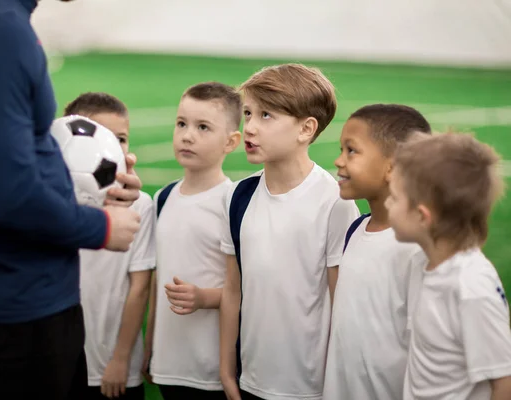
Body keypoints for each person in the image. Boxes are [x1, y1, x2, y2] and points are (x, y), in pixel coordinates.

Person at [0, 0, 142, 399]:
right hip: (19, 320)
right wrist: (102, 227)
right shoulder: (0, 30)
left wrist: (95, 196)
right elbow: (9, 196)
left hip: (18, 306)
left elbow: (4, 165)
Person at [219, 64, 360, 400]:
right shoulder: (237, 196)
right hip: (248, 381)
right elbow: (232, 290)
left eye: (266, 115)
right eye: (248, 113)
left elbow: (344, 307)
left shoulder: (334, 203)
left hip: (310, 389)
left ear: (306, 129)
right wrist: (227, 373)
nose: (250, 127)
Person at [386, 132, 511, 400]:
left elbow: (504, 383)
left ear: (422, 216)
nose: (387, 204)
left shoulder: (471, 288)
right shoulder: (424, 262)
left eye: (394, 198)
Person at [322, 104, 431, 400]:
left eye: (351, 151)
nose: (338, 161)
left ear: (393, 166)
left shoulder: (417, 249)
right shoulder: (355, 230)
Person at [142, 82, 242, 400]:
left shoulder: (232, 202)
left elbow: (245, 287)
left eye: (203, 127)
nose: (187, 135)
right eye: (182, 123)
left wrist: (204, 297)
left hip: (211, 368)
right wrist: (150, 349)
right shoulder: (164, 197)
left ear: (231, 142)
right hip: (169, 364)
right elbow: (159, 280)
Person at [63, 93, 156, 400]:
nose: (114, 147)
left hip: (114, 366)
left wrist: (120, 360)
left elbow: (139, 288)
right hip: (60, 359)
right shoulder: (52, 208)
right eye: (103, 137)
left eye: (121, 138)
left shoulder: (140, 205)